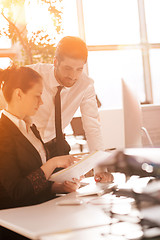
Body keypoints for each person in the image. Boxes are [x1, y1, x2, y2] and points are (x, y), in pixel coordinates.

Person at [27, 36, 114, 183]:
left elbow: (92, 126)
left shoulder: (86, 85)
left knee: (66, 191)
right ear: (55, 62)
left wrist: (100, 167)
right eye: (67, 68)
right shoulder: (33, 75)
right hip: (29, 146)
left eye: (79, 69)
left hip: (57, 146)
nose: (73, 76)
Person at [0, 65, 81, 210]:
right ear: (19, 94)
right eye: (37, 96)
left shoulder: (30, 128)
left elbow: (35, 179)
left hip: (41, 209)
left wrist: (59, 187)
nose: (41, 102)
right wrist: (53, 163)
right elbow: (17, 191)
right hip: (17, 219)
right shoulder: (2, 133)